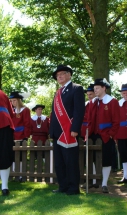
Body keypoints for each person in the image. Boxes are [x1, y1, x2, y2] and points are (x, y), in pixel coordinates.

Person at [50, 64, 85, 195]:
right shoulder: (57, 92)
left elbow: (79, 111)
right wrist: (51, 131)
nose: (59, 77)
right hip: (57, 132)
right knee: (59, 162)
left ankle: (73, 187)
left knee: (70, 161)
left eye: (62, 74)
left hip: (69, 131)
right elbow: (53, 113)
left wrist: (75, 128)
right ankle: (63, 186)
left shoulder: (77, 89)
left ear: (69, 74)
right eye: (57, 75)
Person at [87, 78, 120, 193]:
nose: (95, 90)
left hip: (106, 135)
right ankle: (95, 182)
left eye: (97, 88)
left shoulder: (112, 101)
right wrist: (87, 133)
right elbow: (89, 120)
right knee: (93, 159)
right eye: (94, 88)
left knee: (106, 159)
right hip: (93, 135)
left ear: (104, 88)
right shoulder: (92, 102)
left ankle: (104, 183)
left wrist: (111, 134)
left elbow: (116, 121)